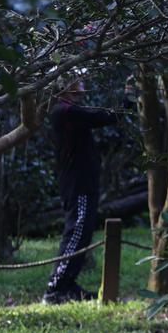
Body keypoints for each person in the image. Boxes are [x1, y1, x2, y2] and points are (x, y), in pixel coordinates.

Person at [44, 92, 116, 303]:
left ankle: (67, 284)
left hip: (83, 183)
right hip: (77, 184)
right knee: (76, 231)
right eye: (76, 79)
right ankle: (55, 288)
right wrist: (128, 99)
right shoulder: (65, 111)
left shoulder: (69, 111)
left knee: (82, 233)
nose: (82, 84)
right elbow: (102, 117)